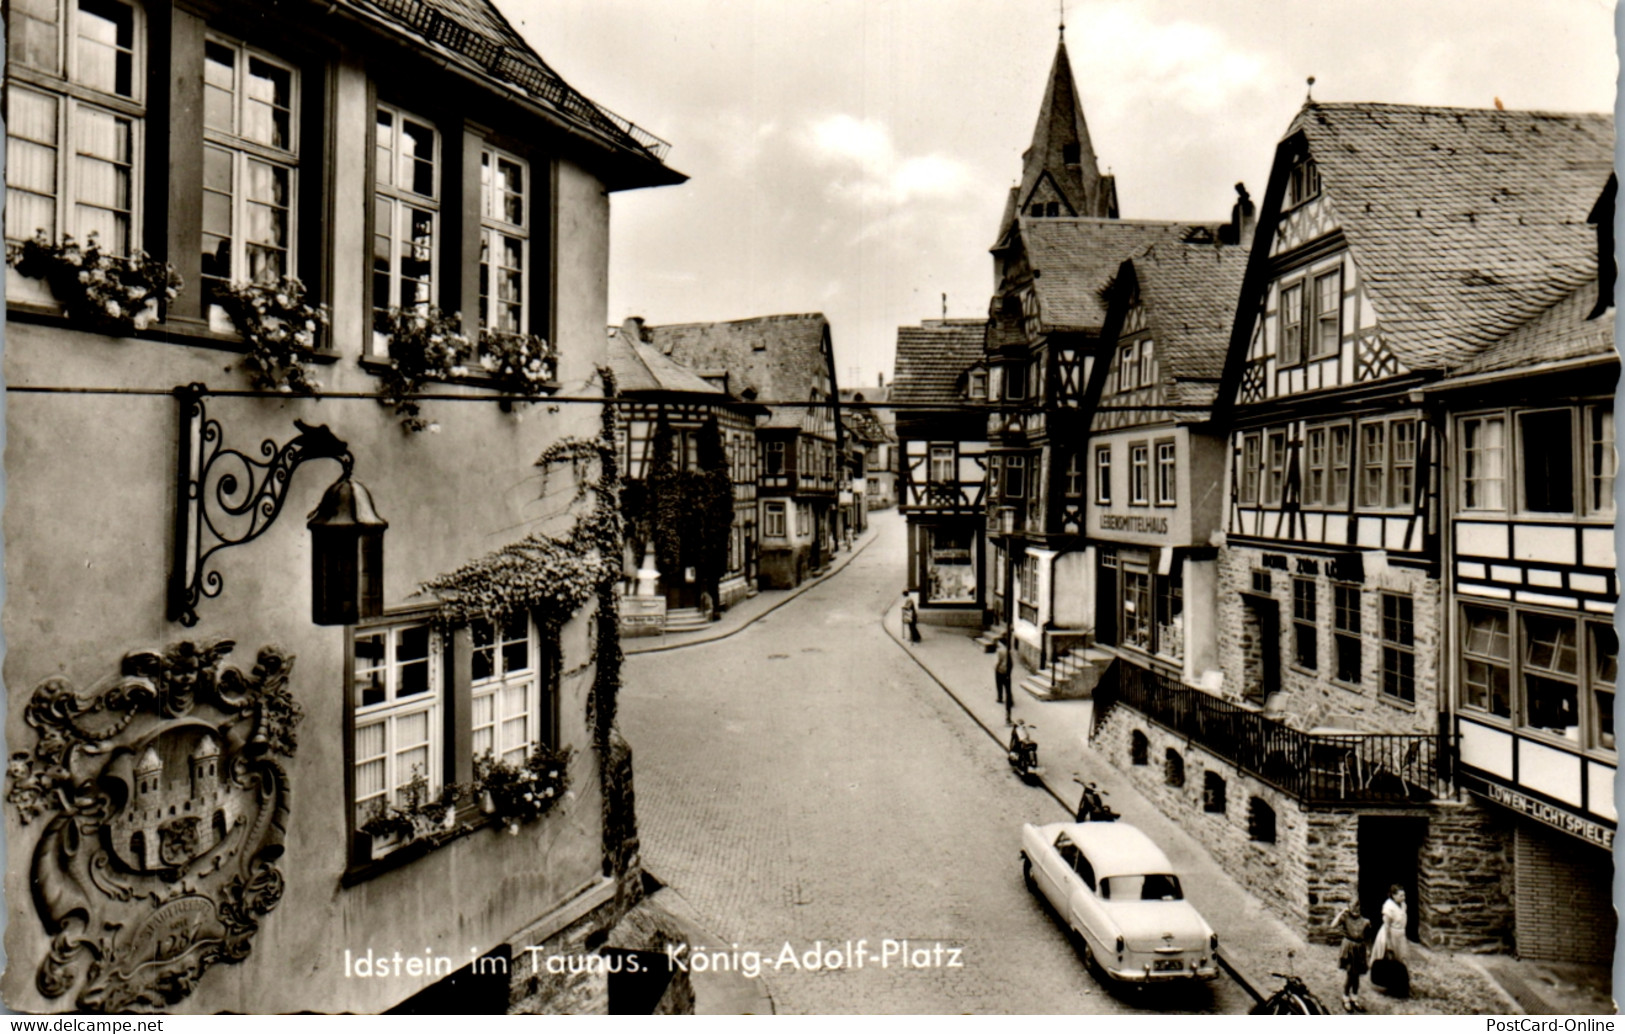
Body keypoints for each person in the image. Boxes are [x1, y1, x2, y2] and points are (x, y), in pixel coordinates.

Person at [1328, 892, 1370, 1012]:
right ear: (1349, 907)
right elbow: (1333, 925)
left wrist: (1367, 950)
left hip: (1359, 949)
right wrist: (1342, 912)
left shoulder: (1364, 921)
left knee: (1357, 976)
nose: (1356, 910)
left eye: (1358, 907)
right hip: (1349, 949)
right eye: (1353, 907)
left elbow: (1367, 937)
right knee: (1351, 974)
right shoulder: (1345, 918)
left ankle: (1354, 997)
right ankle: (1346, 997)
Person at [1369, 884, 1410, 997]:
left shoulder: (1403, 905)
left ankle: (1400, 986)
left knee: (1401, 960)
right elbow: (1387, 926)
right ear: (1394, 895)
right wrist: (1389, 943)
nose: (1403, 897)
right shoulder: (1388, 906)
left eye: (1404, 895)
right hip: (1390, 935)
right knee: (1389, 960)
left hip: (1400, 935)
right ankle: (1388, 985)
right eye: (1401, 895)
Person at [994, 638, 1013, 724]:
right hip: (1007, 672)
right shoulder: (1008, 651)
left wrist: (995, 668)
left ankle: (1000, 697)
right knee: (1008, 688)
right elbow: (1011, 663)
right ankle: (1010, 701)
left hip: (1000, 670)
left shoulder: (1000, 651)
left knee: (999, 685)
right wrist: (1009, 671)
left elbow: (998, 661)